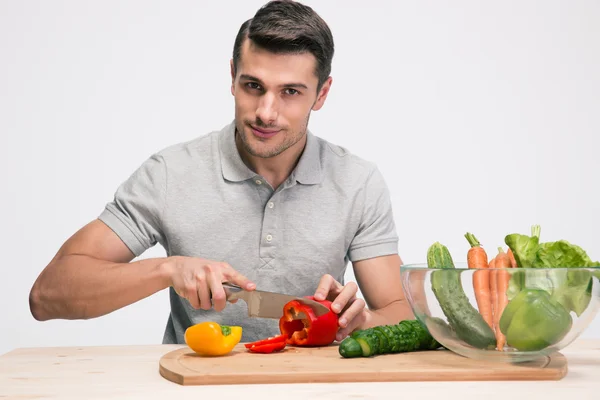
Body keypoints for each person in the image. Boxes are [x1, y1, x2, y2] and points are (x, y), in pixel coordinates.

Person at [29, 0, 413, 344]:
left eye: (290, 92)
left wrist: (362, 321)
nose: (266, 111)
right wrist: (167, 269)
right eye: (253, 85)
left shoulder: (357, 182)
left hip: (316, 388)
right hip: (193, 387)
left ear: (322, 94)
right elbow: (46, 296)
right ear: (232, 77)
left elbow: (403, 312)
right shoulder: (170, 174)